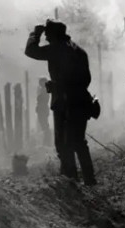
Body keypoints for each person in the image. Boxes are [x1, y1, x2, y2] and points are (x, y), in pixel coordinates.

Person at [25, 20, 96, 185]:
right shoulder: (78, 50)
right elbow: (84, 79)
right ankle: (89, 180)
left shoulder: (56, 49)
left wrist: (35, 34)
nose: (47, 37)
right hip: (80, 100)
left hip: (64, 102)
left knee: (63, 143)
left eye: (48, 33)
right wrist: (58, 84)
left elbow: (30, 51)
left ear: (53, 35)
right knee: (78, 141)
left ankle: (70, 180)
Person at [36, 77, 52, 146]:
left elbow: (42, 100)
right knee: (43, 124)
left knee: (44, 125)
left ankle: (47, 141)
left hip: (43, 109)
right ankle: (46, 140)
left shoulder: (44, 90)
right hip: (42, 109)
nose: (40, 83)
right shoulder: (43, 90)